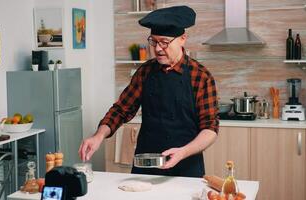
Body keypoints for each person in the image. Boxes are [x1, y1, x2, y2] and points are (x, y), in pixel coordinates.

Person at [78, 5, 219, 178]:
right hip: (146, 166)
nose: (158, 49)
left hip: (186, 167)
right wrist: (98, 136)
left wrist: (183, 152)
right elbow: (121, 110)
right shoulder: (145, 72)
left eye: (164, 42)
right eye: (153, 41)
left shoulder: (201, 76)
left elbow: (210, 128)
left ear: (182, 39)